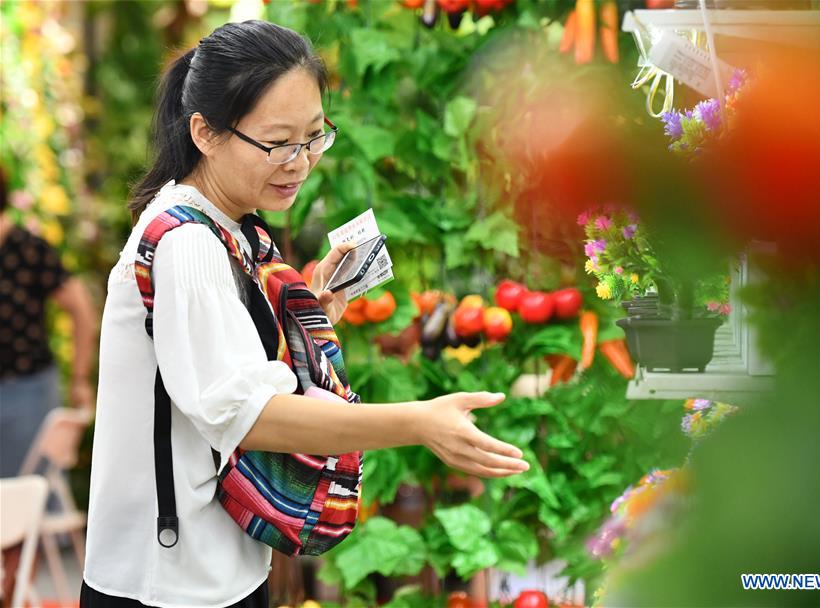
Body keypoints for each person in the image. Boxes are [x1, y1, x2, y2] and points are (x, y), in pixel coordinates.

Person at [82, 20, 528, 608]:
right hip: (167, 583)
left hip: (212, 566)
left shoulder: (227, 225)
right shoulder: (187, 244)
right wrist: (418, 423)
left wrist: (308, 316)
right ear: (205, 133)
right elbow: (249, 415)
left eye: (315, 137)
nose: (300, 161)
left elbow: (218, 373)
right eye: (277, 142)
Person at [0, 166, 96, 479]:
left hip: (26, 389)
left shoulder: (28, 249)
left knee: (32, 497)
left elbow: (82, 310)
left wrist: (80, 378)